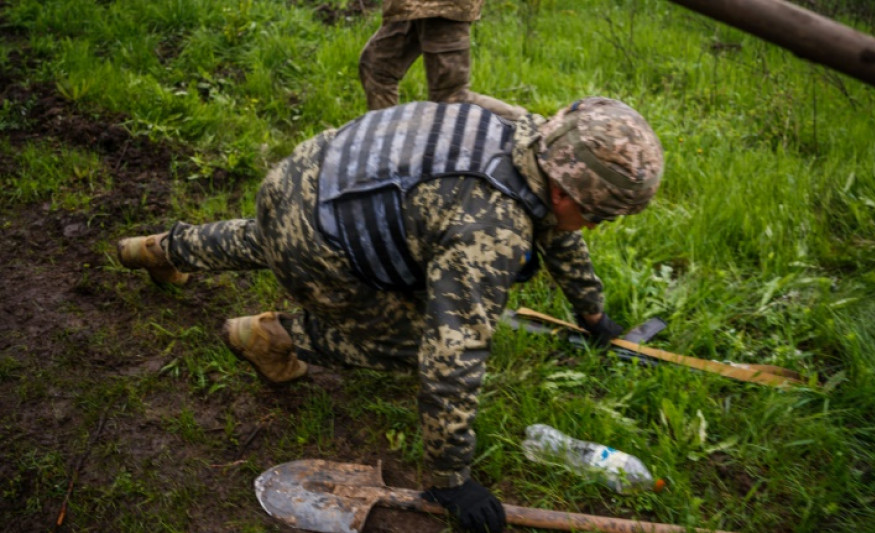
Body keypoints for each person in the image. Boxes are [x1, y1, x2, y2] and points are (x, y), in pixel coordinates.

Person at [115, 97, 663, 533]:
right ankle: (271, 337)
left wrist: (593, 316)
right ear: (567, 188)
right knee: (406, 343)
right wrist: (450, 479)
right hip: (322, 237)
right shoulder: (492, 229)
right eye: (596, 215)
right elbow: (451, 356)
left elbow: (558, 232)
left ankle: (150, 250)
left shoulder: (528, 136)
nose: (592, 227)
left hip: (311, 174)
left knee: (261, 238)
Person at [359, 0, 527, 121]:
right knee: (377, 68)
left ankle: (529, 127)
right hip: (412, 6)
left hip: (441, 7)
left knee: (451, 96)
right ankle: (387, 145)